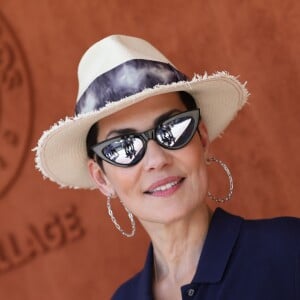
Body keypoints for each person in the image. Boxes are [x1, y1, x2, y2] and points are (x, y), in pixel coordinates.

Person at [35, 35, 300, 300]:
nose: (156, 159)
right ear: (102, 178)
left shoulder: (289, 250)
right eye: (124, 146)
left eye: (172, 128)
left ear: (202, 139)